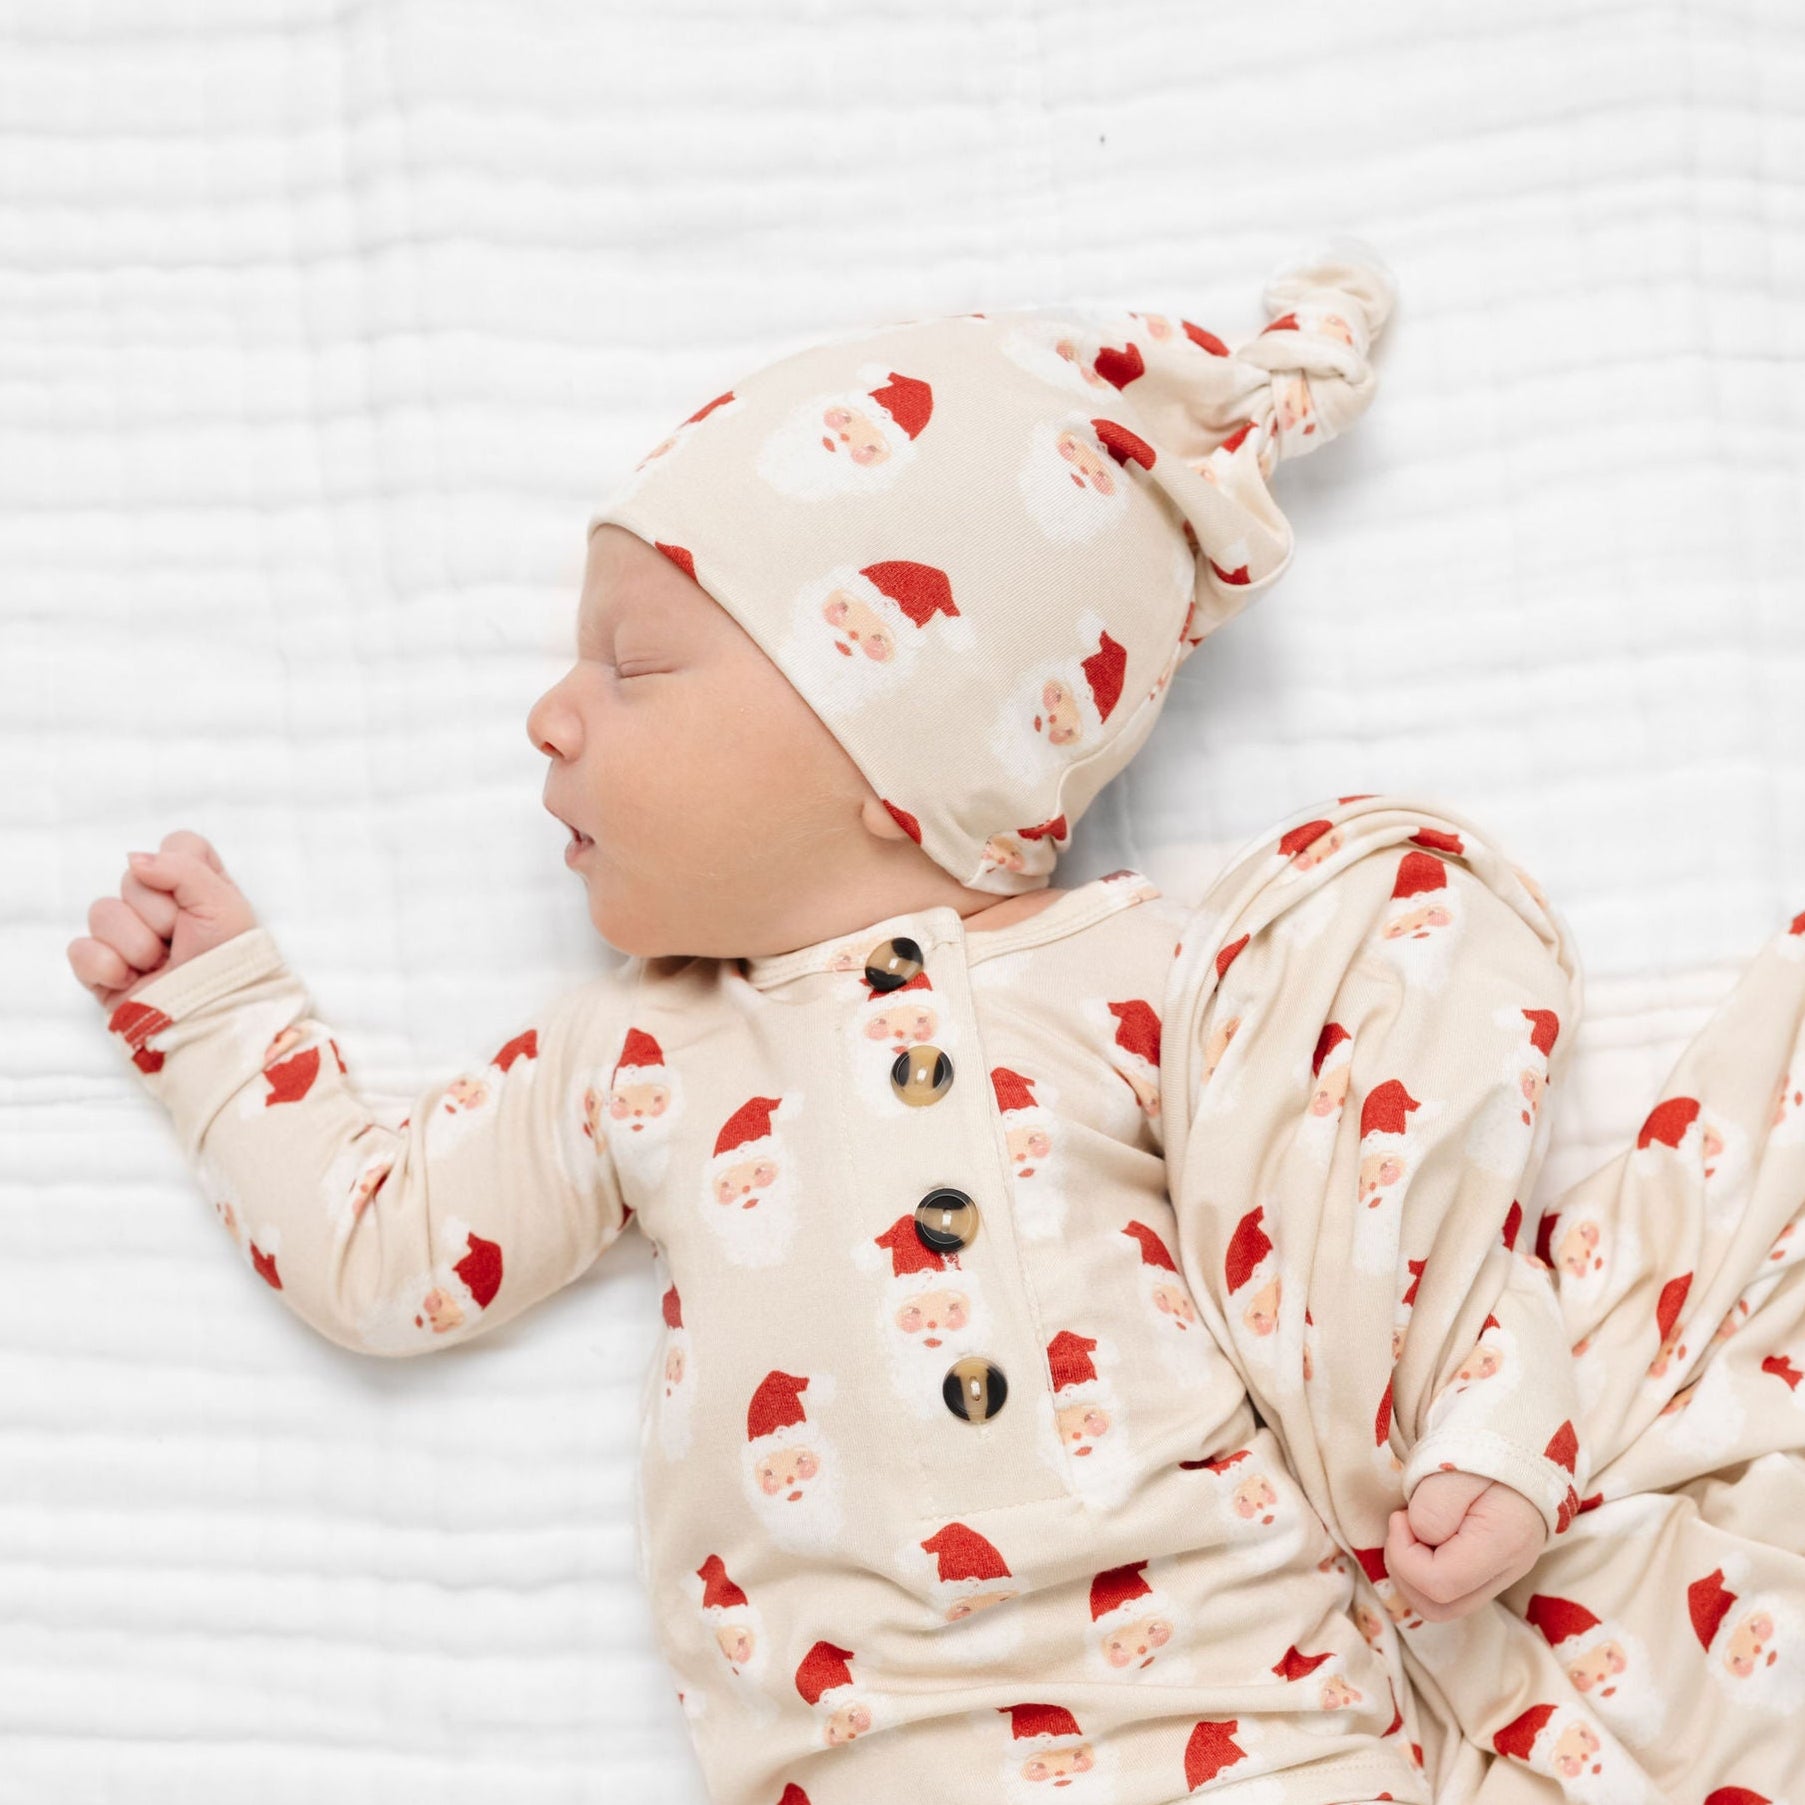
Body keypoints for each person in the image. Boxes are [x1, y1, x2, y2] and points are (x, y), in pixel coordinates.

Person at [71, 243, 1805, 1802]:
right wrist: (216, 1010)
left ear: (905, 741)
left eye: (636, 667)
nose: (549, 717)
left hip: (1250, 1723)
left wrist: (1490, 1442)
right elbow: (388, 1250)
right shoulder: (638, 1052)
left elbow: (1374, 1208)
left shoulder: (1147, 980)